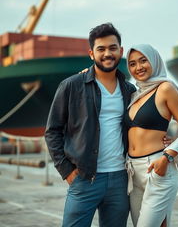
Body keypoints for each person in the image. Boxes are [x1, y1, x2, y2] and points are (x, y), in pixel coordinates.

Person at [45, 23, 136, 227]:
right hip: (84, 178)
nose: (107, 54)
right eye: (101, 49)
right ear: (91, 53)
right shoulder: (71, 86)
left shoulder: (130, 90)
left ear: (120, 51)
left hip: (120, 180)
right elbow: (53, 131)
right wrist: (66, 170)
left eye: (112, 48)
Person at [125, 44, 178, 227]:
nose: (138, 67)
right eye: (132, 64)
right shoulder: (134, 95)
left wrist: (167, 155)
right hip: (132, 172)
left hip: (156, 167)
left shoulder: (165, 88)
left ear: (154, 61)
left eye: (143, 60)